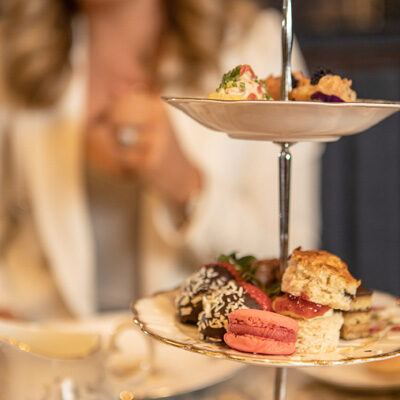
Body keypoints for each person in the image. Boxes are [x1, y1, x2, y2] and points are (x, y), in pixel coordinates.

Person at [0, 0, 322, 319]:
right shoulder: (14, 50)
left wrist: (184, 182)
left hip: (207, 361)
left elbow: (292, 263)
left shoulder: (257, 46)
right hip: (47, 353)